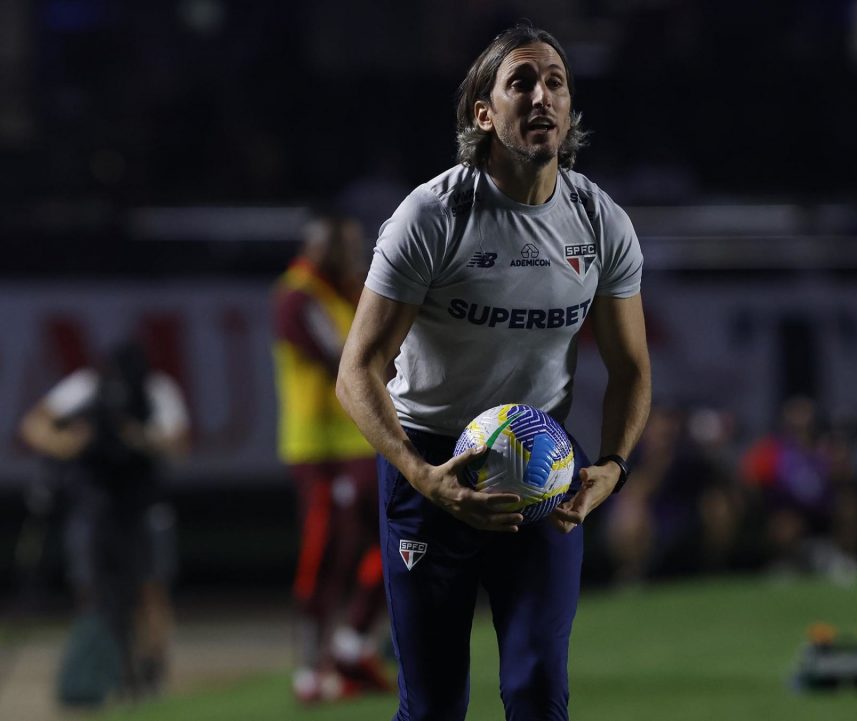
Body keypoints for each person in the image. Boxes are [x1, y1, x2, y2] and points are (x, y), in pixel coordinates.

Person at [335, 23, 652, 721]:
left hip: (543, 468)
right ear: (484, 113)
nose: (543, 95)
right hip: (432, 465)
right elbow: (357, 370)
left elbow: (630, 367)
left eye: (556, 83)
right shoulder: (431, 216)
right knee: (434, 705)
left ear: (569, 110)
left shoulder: (602, 224)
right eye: (522, 82)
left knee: (538, 693)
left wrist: (614, 466)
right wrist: (423, 477)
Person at [18, 340, 189, 703]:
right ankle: (102, 668)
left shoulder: (156, 389)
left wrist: (137, 437)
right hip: (96, 506)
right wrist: (72, 442)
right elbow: (34, 426)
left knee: (149, 589)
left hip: (143, 505)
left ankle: (151, 673)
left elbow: (179, 444)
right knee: (93, 591)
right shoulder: (87, 387)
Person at [271, 209, 391, 703]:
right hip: (321, 451)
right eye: (346, 244)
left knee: (398, 539)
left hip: (360, 443)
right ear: (320, 246)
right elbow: (343, 357)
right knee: (325, 555)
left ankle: (351, 643)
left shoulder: (349, 289)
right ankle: (310, 670)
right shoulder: (297, 295)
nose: (356, 253)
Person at [603, 403, 744, 584]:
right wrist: (658, 463)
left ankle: (715, 568)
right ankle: (632, 573)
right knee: (629, 513)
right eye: (660, 427)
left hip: (681, 515)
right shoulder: (631, 454)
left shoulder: (686, 454)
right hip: (647, 518)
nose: (666, 433)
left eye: (670, 427)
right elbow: (635, 493)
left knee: (718, 505)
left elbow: (715, 484)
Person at [740, 395, 857, 583]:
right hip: (788, 510)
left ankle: (845, 559)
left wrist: (837, 464)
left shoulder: (827, 445)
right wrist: (765, 503)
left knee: (851, 506)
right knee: (785, 524)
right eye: (795, 414)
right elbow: (749, 477)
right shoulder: (772, 448)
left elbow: (845, 476)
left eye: (805, 413)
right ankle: (788, 564)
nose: (801, 420)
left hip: (824, 508)